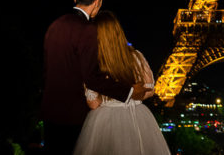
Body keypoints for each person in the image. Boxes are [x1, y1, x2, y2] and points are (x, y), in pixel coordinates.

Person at [41, 0, 149, 154]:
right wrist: (129, 92)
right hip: (74, 114)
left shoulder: (55, 25)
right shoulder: (88, 29)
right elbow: (91, 78)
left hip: (51, 111)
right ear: (98, 2)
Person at [73, 10, 170, 155]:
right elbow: (150, 91)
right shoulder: (136, 56)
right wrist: (132, 94)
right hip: (137, 116)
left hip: (106, 119)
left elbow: (93, 103)